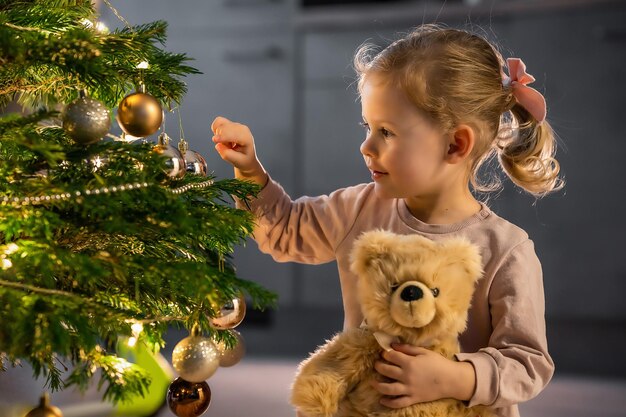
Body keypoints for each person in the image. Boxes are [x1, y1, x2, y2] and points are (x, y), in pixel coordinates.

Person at [210, 24, 562, 417]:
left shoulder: (506, 249)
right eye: (368, 127)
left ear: (454, 144)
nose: (366, 146)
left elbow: (528, 362)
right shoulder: (358, 209)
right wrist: (251, 174)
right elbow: (285, 231)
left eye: (387, 132)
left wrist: (454, 377)